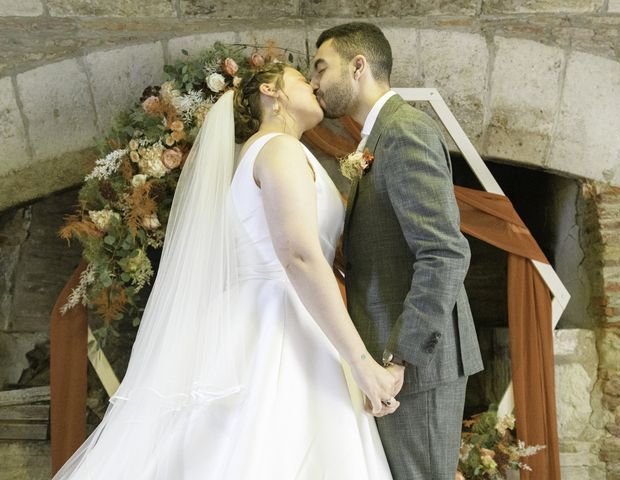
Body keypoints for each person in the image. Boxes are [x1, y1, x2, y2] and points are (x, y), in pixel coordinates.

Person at [52, 62, 397, 479]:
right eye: (304, 79)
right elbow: (299, 258)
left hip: (289, 317)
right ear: (273, 91)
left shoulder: (277, 149)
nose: (315, 84)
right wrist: (361, 362)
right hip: (280, 324)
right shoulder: (277, 148)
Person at [311, 22, 484, 480]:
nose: (314, 81)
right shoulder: (378, 136)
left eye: (321, 67)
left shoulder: (405, 132)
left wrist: (401, 358)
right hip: (390, 357)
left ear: (358, 67)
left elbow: (444, 253)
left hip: (416, 366)